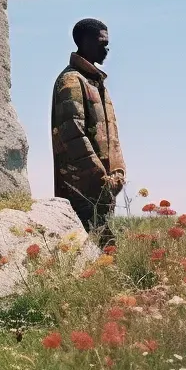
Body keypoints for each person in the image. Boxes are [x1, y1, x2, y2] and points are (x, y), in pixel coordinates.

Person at [51, 18, 125, 245]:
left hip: (103, 189)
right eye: (102, 43)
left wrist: (119, 170)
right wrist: (100, 177)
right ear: (85, 42)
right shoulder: (71, 81)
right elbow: (73, 135)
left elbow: (112, 137)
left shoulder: (95, 82)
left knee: (105, 251)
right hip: (82, 191)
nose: (107, 48)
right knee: (89, 250)